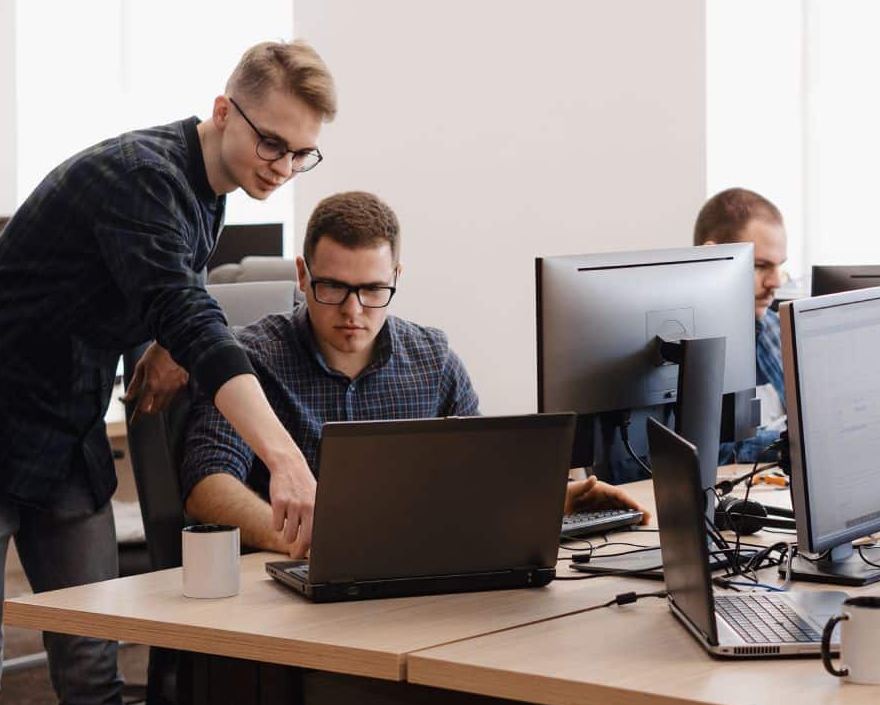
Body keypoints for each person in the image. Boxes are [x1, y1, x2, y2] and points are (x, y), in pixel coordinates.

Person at [0, 40, 336, 705]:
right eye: (272, 142)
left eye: (303, 154)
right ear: (224, 110)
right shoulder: (140, 176)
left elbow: (155, 288)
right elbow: (191, 313)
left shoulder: (211, 188)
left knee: (95, 665)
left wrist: (162, 342)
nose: (282, 166)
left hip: (65, 434)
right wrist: (286, 458)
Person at [181, 191, 644, 550]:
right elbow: (208, 487)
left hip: (415, 578)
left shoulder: (431, 358)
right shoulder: (250, 359)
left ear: (397, 278)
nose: (353, 310)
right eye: (333, 288)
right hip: (298, 589)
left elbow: (481, 477)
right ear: (303, 276)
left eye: (373, 290)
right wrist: (300, 538)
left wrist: (559, 499)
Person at [693, 187, 789, 464]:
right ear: (711, 260)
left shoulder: (774, 328)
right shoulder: (673, 349)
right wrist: (791, 444)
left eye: (779, 266)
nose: (776, 283)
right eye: (760, 266)